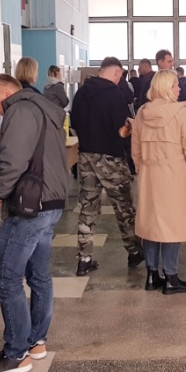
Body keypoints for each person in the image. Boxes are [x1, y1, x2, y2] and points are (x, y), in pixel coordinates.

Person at [0, 74, 68, 372]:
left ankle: (16, 354)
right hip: (51, 203)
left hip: (29, 206)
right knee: (39, 275)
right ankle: (36, 342)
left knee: (7, 278)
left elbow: (14, 159)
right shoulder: (44, 108)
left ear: (5, 93)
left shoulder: (20, 109)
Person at [132, 70, 186, 294]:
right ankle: (171, 277)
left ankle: (152, 275)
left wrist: (142, 169)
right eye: (175, 85)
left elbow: (135, 149)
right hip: (175, 175)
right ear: (166, 88)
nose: (179, 88)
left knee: (151, 224)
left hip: (149, 175)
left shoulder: (142, 112)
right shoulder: (180, 113)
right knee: (173, 224)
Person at [69, 57, 142, 275]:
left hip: (86, 157)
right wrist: (130, 130)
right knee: (123, 206)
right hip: (111, 158)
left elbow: (74, 122)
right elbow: (121, 130)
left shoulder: (81, 93)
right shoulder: (114, 93)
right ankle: (134, 251)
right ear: (117, 73)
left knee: (88, 207)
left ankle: (84, 258)